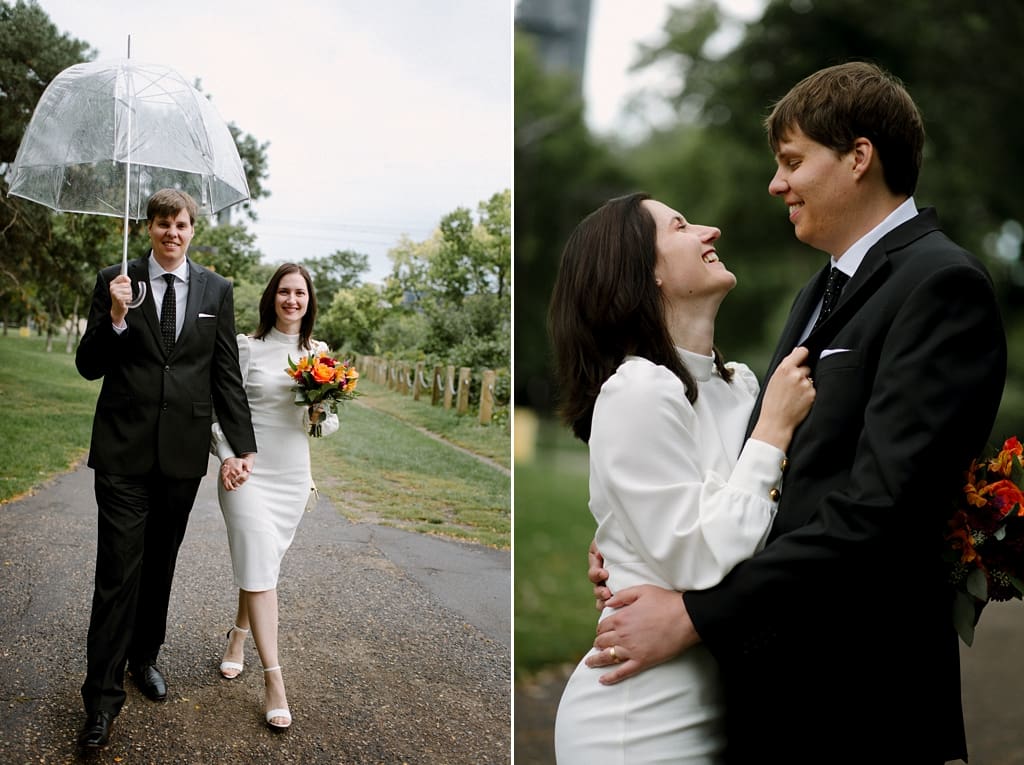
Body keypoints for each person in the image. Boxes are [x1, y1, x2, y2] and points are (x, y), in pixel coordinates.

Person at [585, 62, 1007, 763]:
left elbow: (878, 512)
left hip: (860, 704)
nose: (776, 184)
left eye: (791, 162)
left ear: (859, 157)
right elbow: (770, 476)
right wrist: (636, 546)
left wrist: (693, 614)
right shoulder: (819, 291)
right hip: (775, 696)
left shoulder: (941, 286)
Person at [548, 192, 816, 763]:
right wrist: (771, 433)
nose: (710, 230)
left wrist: (616, 542)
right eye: (681, 226)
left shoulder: (741, 385)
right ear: (645, 275)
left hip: (728, 702)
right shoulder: (637, 390)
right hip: (642, 721)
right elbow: (698, 558)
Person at [75, 189, 257, 749]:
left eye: (181, 224)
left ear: (192, 230)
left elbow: (224, 370)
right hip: (123, 453)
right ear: (148, 227)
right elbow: (88, 365)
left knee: (160, 566)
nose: (171, 233)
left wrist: (242, 447)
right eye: (161, 224)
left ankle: (143, 658)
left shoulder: (216, 290)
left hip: (181, 458)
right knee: (117, 573)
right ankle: (101, 701)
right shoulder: (116, 280)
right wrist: (116, 317)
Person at [211, 262, 339, 731]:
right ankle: (274, 681)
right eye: (284, 292)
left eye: (300, 293)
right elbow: (217, 410)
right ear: (272, 298)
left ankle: (238, 638)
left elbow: (326, 427)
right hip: (247, 473)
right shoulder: (247, 349)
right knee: (261, 564)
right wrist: (228, 456)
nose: (291, 300)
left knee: (259, 565)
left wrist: (320, 411)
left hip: (292, 476)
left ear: (309, 301)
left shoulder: (319, 354)